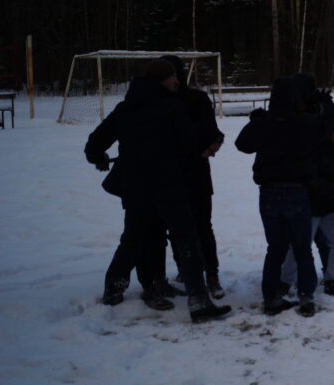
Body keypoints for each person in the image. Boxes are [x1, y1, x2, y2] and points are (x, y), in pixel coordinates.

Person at [84, 59, 230, 323]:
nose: (177, 82)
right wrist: (208, 143)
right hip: (166, 186)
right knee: (187, 239)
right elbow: (188, 145)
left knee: (136, 237)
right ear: (163, 80)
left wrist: (100, 158)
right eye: (174, 78)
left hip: (135, 186)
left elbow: (94, 145)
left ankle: (115, 287)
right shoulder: (171, 108)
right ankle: (198, 301)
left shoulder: (125, 108)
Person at [235, 75, 326, 316]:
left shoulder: (266, 123)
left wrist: (257, 121)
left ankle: (271, 298)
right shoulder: (305, 122)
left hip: (269, 192)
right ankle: (306, 296)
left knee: (275, 249)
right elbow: (323, 130)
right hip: (296, 190)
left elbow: (242, 144)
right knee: (302, 249)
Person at [161, 55, 226, 299]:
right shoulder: (160, 101)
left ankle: (210, 273)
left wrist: (207, 148)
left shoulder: (195, 99)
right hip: (174, 174)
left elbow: (212, 133)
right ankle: (192, 272)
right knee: (182, 228)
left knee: (197, 227)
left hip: (191, 173)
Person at [281, 110, 334, 300]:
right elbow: (310, 178)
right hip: (309, 207)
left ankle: (332, 281)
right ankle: (284, 282)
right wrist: (333, 193)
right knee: (300, 246)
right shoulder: (315, 149)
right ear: (329, 131)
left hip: (331, 207)